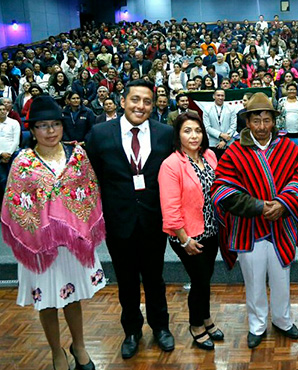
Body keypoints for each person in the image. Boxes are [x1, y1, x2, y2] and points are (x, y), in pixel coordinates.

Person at [1, 96, 106, 370]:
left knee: (73, 298)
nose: (50, 131)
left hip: (73, 244)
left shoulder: (77, 155)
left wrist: (77, 228)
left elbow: (90, 194)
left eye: (55, 124)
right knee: (47, 301)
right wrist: (41, 233)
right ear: (32, 130)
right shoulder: (23, 162)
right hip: (40, 248)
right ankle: (56, 350)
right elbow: (16, 204)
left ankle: (79, 345)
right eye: (43, 125)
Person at [212, 92, 298, 349]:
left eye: (267, 120)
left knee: (281, 278)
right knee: (254, 280)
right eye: (257, 121)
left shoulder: (289, 148)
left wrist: (283, 204)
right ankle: (257, 325)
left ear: (274, 121)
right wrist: (259, 207)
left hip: (282, 225)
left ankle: (282, 320)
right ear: (247, 122)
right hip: (248, 229)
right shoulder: (234, 152)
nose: (263, 126)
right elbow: (223, 190)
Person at [86, 79, 175, 359]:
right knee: (126, 280)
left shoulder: (165, 133)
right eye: (135, 99)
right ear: (123, 101)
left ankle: (161, 327)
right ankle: (132, 331)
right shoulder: (100, 134)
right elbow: (94, 176)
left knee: (154, 278)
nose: (141, 106)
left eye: (147, 101)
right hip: (118, 220)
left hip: (153, 220)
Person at [158, 111, 223, 350]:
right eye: (187, 131)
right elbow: (170, 208)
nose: (194, 135)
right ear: (178, 135)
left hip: (211, 230)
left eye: (197, 130)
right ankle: (196, 325)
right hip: (186, 235)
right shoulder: (171, 165)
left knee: (205, 279)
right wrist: (184, 240)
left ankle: (206, 318)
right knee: (198, 280)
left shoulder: (209, 156)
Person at [202, 89, 237, 157]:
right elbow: (207, 127)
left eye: (222, 96)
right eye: (218, 95)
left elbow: (233, 126)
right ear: (214, 96)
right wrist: (220, 134)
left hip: (228, 143)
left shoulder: (231, 108)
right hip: (213, 143)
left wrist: (224, 140)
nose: (220, 97)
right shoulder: (207, 109)